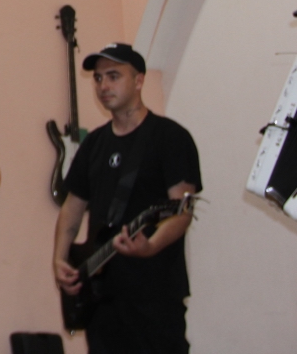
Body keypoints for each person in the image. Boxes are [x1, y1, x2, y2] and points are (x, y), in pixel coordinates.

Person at [52, 43, 201, 354]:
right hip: (101, 298)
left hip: (154, 294)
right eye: (98, 78)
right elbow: (72, 208)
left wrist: (150, 246)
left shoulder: (170, 137)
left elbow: (182, 211)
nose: (103, 86)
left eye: (114, 76)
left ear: (139, 80)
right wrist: (60, 258)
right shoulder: (94, 143)